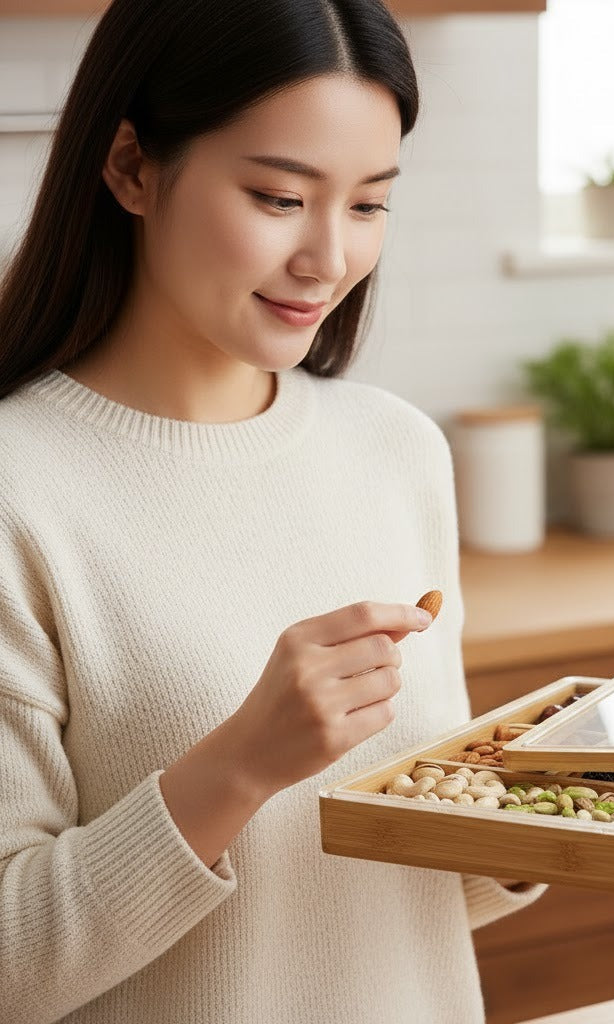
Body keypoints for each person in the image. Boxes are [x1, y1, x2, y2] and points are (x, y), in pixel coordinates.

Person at [0, 1, 544, 1021]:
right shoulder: (19, 490)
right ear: (131, 168)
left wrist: (540, 820)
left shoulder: (397, 450)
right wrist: (241, 764)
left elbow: (394, 904)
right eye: (280, 197)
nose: (328, 258)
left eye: (369, 204)